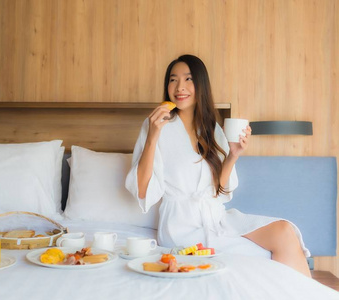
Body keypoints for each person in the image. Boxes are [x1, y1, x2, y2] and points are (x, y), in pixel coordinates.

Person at [125, 54, 311, 277]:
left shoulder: (212, 129)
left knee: (284, 232)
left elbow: (217, 190)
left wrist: (233, 156)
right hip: (180, 227)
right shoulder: (155, 124)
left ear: (201, 84)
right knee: (265, 254)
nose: (179, 87)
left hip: (217, 219)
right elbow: (143, 190)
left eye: (188, 79)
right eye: (173, 79)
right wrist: (153, 137)